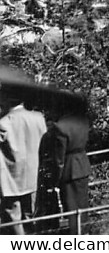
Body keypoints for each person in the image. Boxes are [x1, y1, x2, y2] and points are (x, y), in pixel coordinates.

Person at [0, 95, 47, 233]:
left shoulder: (4, 122)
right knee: (32, 213)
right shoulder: (38, 118)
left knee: (14, 217)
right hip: (35, 174)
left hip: (12, 178)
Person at [49, 95, 91, 233]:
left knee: (72, 208)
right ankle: (83, 235)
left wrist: (55, 179)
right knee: (83, 207)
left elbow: (59, 159)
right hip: (83, 165)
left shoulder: (60, 127)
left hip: (69, 169)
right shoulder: (83, 120)